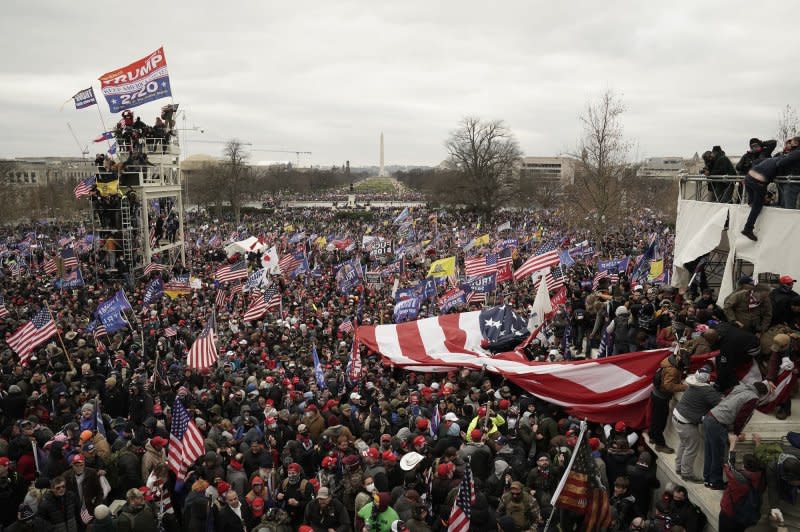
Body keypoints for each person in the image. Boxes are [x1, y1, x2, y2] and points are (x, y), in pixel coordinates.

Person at [702, 381, 769, 489]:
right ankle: (715, 482)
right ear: (761, 394)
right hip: (718, 422)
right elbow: (741, 417)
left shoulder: (741, 387)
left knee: (709, 452)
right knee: (718, 455)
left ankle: (707, 479)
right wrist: (736, 433)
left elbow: (726, 396)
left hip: (711, 416)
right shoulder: (753, 398)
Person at [741, 136, 800, 240]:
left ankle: (754, 203)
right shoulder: (783, 158)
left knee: (753, 203)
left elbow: (756, 162)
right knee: (757, 207)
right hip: (759, 182)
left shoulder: (774, 158)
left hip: (748, 177)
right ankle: (748, 228)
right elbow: (780, 164)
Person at [672, 366, 722, 482]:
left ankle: (679, 467)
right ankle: (687, 474)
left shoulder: (693, 383)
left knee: (684, 444)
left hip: (677, 416)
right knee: (691, 448)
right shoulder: (706, 390)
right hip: (686, 423)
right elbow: (719, 403)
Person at [648, 350, 687, 453]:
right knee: (660, 422)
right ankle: (659, 444)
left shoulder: (669, 360)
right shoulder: (673, 370)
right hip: (662, 397)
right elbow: (668, 386)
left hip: (656, 393)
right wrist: (684, 387)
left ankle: (652, 436)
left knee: (655, 418)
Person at [719, 453, 764, 532]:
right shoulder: (759, 478)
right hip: (744, 517)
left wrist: (732, 446)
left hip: (729, 514)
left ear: (744, 466)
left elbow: (727, 466)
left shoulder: (737, 479)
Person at [765, 444, 800, 528]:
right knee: (779, 494)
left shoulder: (797, 462)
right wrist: (774, 507)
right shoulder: (771, 467)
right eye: (797, 481)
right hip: (778, 479)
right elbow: (773, 488)